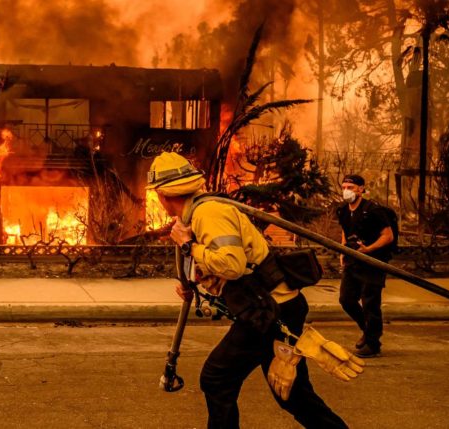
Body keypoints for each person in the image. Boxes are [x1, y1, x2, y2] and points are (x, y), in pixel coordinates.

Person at [147, 152, 348, 429]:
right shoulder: (194, 215)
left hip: (270, 311)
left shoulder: (209, 213)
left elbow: (232, 264)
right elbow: (218, 262)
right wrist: (193, 282)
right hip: (273, 308)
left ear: (163, 194)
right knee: (292, 395)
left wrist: (187, 246)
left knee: (216, 378)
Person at [336, 174, 393, 358]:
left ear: (361, 189)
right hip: (353, 261)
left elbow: (387, 236)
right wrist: (342, 252)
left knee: (370, 303)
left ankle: (373, 344)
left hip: (373, 262)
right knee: (346, 300)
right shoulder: (343, 211)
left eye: (350, 188)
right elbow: (345, 232)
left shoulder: (373, 210)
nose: (346, 191)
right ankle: (367, 332)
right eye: (344, 187)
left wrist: (368, 249)